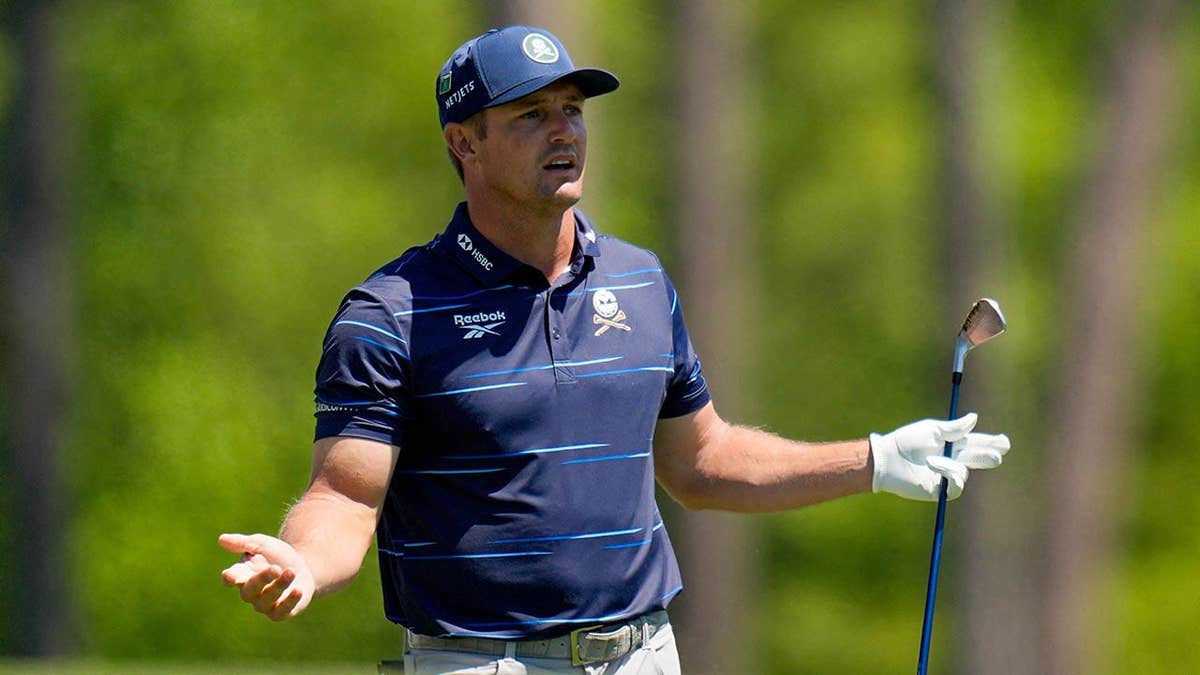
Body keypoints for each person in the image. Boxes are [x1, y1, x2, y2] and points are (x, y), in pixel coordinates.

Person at [218, 25, 1011, 674]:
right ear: (464, 142)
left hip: (642, 655)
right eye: (531, 114)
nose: (563, 129)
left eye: (572, 109)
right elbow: (345, 497)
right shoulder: (392, 313)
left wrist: (874, 458)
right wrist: (303, 562)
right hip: (480, 663)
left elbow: (702, 463)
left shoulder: (639, 281)